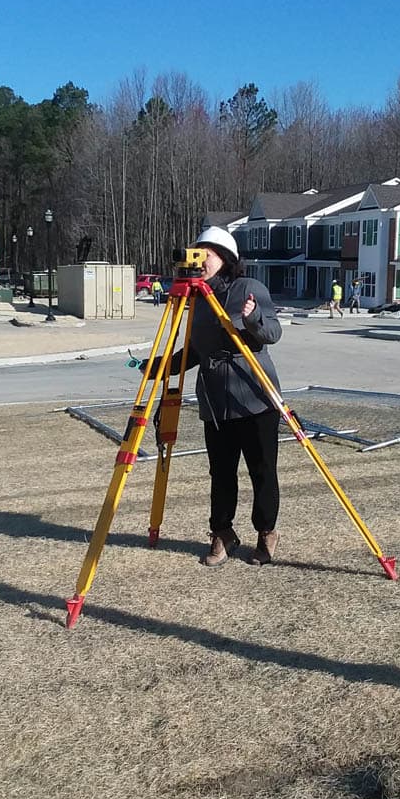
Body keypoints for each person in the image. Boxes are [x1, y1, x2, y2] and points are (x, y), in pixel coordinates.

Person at [142, 226, 283, 567]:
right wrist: (161, 366)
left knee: (262, 470)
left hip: (255, 398)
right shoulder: (198, 299)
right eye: (197, 252)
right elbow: (194, 350)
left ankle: (266, 533)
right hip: (215, 403)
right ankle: (222, 533)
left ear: (226, 258)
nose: (201, 259)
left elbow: (272, 333)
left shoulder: (248, 288)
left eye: (208, 253)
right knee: (220, 473)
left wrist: (252, 320)